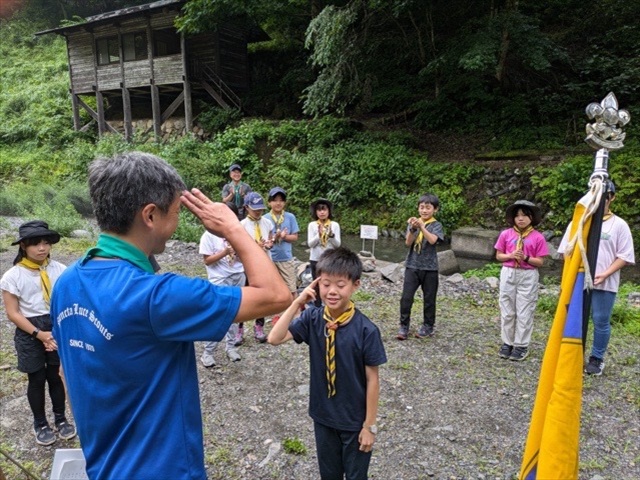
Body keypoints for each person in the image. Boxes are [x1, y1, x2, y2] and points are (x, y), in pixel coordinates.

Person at [50, 152, 290, 480]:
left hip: (103, 466)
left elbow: (67, 370)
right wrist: (233, 228)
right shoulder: (157, 295)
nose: (177, 222)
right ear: (150, 215)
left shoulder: (66, 282)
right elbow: (275, 295)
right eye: (176, 212)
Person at [267, 247, 386, 480]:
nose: (332, 291)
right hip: (323, 416)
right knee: (328, 475)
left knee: (355, 476)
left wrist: (369, 426)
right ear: (317, 285)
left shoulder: (366, 330)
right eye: (326, 284)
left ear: (356, 285)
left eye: (341, 285)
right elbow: (274, 338)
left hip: (354, 420)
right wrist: (297, 302)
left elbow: (373, 379)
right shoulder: (313, 319)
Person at [1, 221, 77, 446]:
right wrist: (39, 334)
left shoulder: (60, 270)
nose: (42, 248)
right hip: (29, 329)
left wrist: (54, 333)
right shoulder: (12, 276)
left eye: (46, 243)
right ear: (23, 245)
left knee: (56, 376)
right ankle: (40, 423)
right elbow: (13, 314)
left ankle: (61, 419)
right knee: (36, 379)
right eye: (35, 244)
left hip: (56, 326)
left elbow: (67, 301)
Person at [558, 181, 635, 375]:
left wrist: (606, 273)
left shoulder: (619, 225)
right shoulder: (579, 221)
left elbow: (625, 256)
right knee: (574, 316)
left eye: (605, 198)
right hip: (578, 279)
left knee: (600, 320)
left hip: (604, 281)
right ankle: (572, 354)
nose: (600, 202)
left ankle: (597, 358)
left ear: (612, 198)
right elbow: (565, 250)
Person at [494, 200, 549, 361]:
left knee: (525, 310)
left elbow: (540, 262)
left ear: (531, 218)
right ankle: (507, 342)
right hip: (509, 271)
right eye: (517, 216)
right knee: (507, 309)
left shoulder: (537, 237)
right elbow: (499, 256)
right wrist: (511, 256)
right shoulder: (506, 234)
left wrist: (525, 257)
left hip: (528, 273)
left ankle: (521, 344)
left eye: (525, 215)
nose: (521, 219)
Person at [199, 202, 244, 367]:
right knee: (218, 313)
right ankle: (208, 352)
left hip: (237, 274)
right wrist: (224, 252)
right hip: (219, 278)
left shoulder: (238, 233)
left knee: (236, 312)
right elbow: (207, 261)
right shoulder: (209, 235)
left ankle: (230, 347)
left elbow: (245, 254)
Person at [396, 193, 445, 340]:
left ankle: (428, 326)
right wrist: (412, 228)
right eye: (422, 207)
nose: (424, 211)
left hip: (430, 268)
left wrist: (422, 227)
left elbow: (432, 240)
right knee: (406, 297)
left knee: (429, 298)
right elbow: (408, 243)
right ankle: (404, 326)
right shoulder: (413, 223)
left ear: (434, 209)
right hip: (412, 265)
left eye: (428, 208)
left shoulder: (436, 225)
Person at [238, 191, 275, 343]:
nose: (258, 212)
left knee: (263, 296)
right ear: (247, 207)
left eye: (260, 209)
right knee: (244, 295)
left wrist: (271, 242)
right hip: (247, 266)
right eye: (255, 209)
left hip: (265, 263)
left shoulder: (266, 222)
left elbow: (271, 235)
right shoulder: (242, 225)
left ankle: (259, 326)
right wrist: (254, 246)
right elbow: (238, 246)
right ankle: (239, 329)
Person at [267, 186, 300, 319]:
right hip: (270, 259)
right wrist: (277, 237)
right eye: (275, 200)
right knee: (273, 289)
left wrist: (284, 236)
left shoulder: (290, 217)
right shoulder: (265, 218)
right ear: (269, 202)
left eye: (281, 200)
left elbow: (295, 237)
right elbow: (264, 240)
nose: (278, 203)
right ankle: (276, 314)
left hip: (286, 258)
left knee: (291, 288)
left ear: (285, 202)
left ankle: (297, 314)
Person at [308, 198, 341, 307]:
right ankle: (317, 306)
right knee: (317, 283)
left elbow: (337, 245)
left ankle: (329, 304)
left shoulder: (334, 225)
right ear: (316, 212)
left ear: (329, 211)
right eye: (319, 210)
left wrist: (331, 236)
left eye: (324, 210)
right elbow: (310, 244)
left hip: (330, 259)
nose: (322, 212)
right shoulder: (312, 225)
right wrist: (318, 235)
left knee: (330, 282)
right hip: (315, 259)